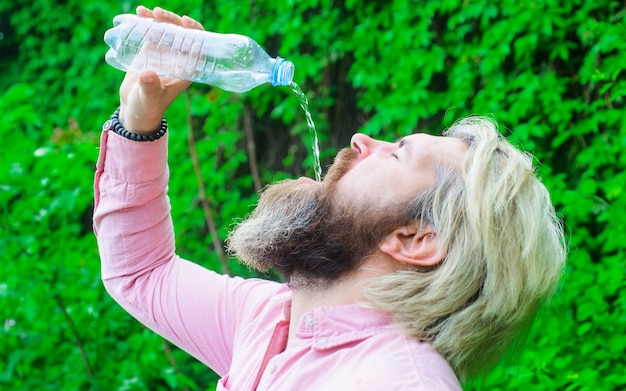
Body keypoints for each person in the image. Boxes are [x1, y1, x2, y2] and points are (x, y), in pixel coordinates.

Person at [94, 6, 566, 390]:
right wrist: (139, 120)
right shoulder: (268, 319)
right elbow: (142, 273)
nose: (362, 139)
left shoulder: (399, 383)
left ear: (416, 238)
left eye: (398, 153)